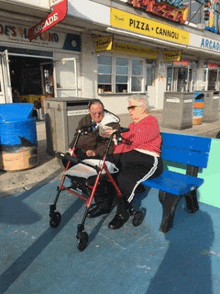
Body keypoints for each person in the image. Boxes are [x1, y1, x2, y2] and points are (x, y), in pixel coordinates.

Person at [88, 95, 163, 230]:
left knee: (125, 179)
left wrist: (119, 135)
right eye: (128, 108)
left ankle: (123, 213)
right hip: (128, 157)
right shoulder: (131, 125)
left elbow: (139, 138)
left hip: (148, 159)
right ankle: (104, 204)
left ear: (142, 107)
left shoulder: (151, 121)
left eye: (132, 107)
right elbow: (124, 143)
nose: (129, 110)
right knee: (103, 169)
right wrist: (114, 154)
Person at [64, 99, 120, 163]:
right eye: (94, 113)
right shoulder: (85, 120)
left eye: (100, 113)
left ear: (103, 111)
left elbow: (110, 145)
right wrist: (71, 147)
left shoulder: (111, 124)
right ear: (89, 112)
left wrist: (95, 152)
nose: (97, 116)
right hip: (81, 150)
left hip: (97, 155)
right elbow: (77, 134)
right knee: (66, 159)